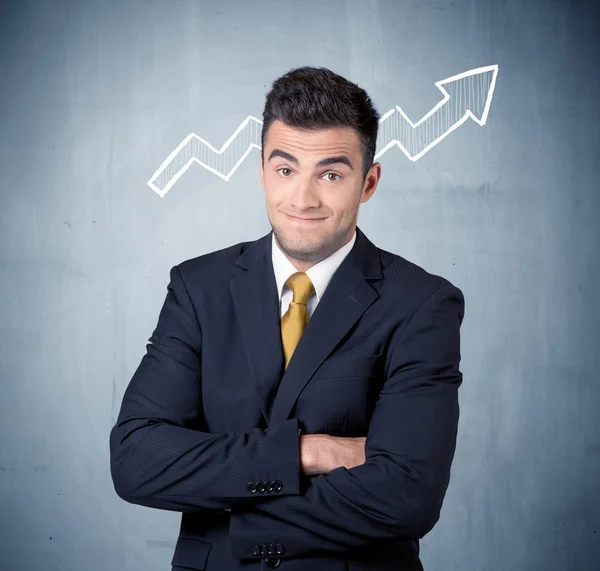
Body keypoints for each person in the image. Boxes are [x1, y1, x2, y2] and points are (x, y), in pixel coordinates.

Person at [109, 66, 465, 571]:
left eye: (331, 174)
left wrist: (234, 509)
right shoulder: (198, 287)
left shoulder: (421, 303)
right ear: (260, 170)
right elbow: (136, 460)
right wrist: (308, 453)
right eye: (285, 169)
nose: (303, 199)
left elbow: (408, 494)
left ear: (369, 182)